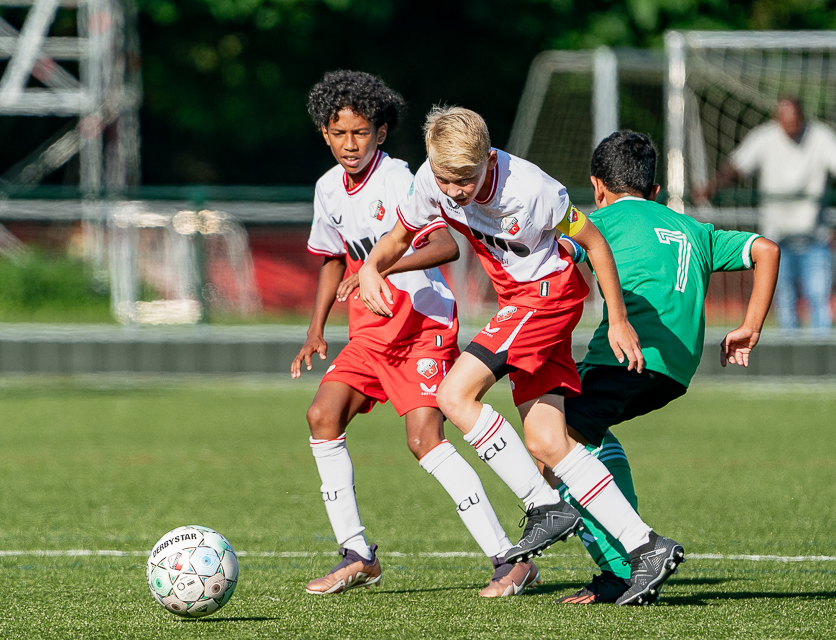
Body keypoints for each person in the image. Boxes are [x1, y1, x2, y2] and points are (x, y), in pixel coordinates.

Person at [358, 106, 676, 606]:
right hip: (520, 301)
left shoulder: (531, 188)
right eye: (446, 179)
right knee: (547, 442)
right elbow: (398, 238)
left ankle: (542, 503)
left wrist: (617, 318)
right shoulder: (430, 181)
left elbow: (593, 241)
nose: (455, 191)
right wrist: (373, 267)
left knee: (453, 395)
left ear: (488, 157)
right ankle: (646, 545)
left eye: (465, 178)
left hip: (547, 295)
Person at [291, 72, 539, 599]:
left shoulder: (401, 178)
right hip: (368, 330)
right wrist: (315, 330)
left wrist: (378, 269)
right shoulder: (327, 189)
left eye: (361, 133)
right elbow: (336, 258)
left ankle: (510, 560)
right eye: (339, 134)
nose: (350, 144)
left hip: (422, 326)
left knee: (424, 440)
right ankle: (357, 554)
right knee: (321, 415)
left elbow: (447, 246)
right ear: (324, 134)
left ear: (381, 133)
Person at [551, 130, 780, 604]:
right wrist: (749, 326)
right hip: (676, 369)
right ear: (654, 191)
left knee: (550, 444)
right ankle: (624, 555)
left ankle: (626, 564)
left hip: (624, 355)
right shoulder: (693, 229)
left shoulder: (604, 220)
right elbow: (767, 249)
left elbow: (558, 265)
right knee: (582, 436)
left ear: (597, 186)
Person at [695, 96, 836, 332]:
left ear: (802, 118)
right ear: (777, 119)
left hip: (814, 238)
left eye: (795, 122)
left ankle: (824, 357)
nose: (791, 128)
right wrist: (711, 187)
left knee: (819, 298)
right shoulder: (764, 137)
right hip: (777, 240)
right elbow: (737, 166)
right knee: (785, 301)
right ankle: (793, 356)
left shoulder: (821, 136)